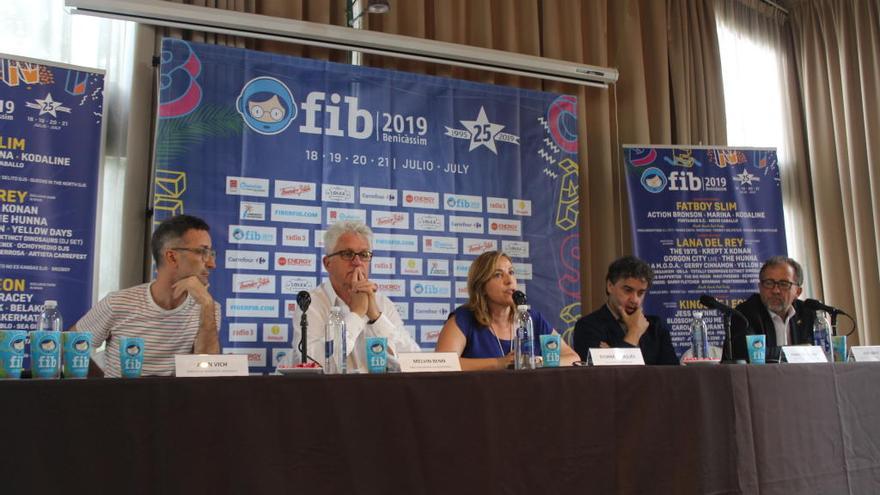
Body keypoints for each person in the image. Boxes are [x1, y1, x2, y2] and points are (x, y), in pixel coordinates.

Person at [73, 214, 221, 377]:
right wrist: (104, 387)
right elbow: (70, 348)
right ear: (172, 257)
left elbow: (205, 374)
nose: (211, 264)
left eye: (211, 254)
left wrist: (207, 305)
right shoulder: (118, 303)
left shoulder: (208, 308)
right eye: (202, 252)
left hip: (177, 402)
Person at [292, 221, 420, 371]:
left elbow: (414, 361)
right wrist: (357, 314)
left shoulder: (382, 303)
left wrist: (376, 317)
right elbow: (313, 363)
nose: (357, 262)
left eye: (364, 255)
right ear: (327, 263)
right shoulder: (310, 305)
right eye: (347, 254)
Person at [435, 250, 579, 370]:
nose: (509, 280)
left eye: (511, 272)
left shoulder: (531, 318)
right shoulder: (464, 319)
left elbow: (573, 358)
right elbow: (442, 363)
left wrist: (540, 362)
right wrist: (499, 363)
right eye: (498, 275)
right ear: (481, 286)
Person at [572, 255, 678, 365]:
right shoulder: (588, 326)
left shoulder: (656, 327)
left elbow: (672, 375)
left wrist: (612, 356)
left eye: (641, 293)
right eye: (628, 290)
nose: (635, 300)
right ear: (609, 286)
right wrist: (634, 332)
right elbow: (600, 375)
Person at [728, 256, 815, 362]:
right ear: (760, 287)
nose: (775, 290)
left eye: (784, 284)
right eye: (769, 283)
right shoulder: (745, 313)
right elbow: (747, 353)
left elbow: (822, 351)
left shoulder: (808, 313)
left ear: (798, 292)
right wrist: (798, 352)